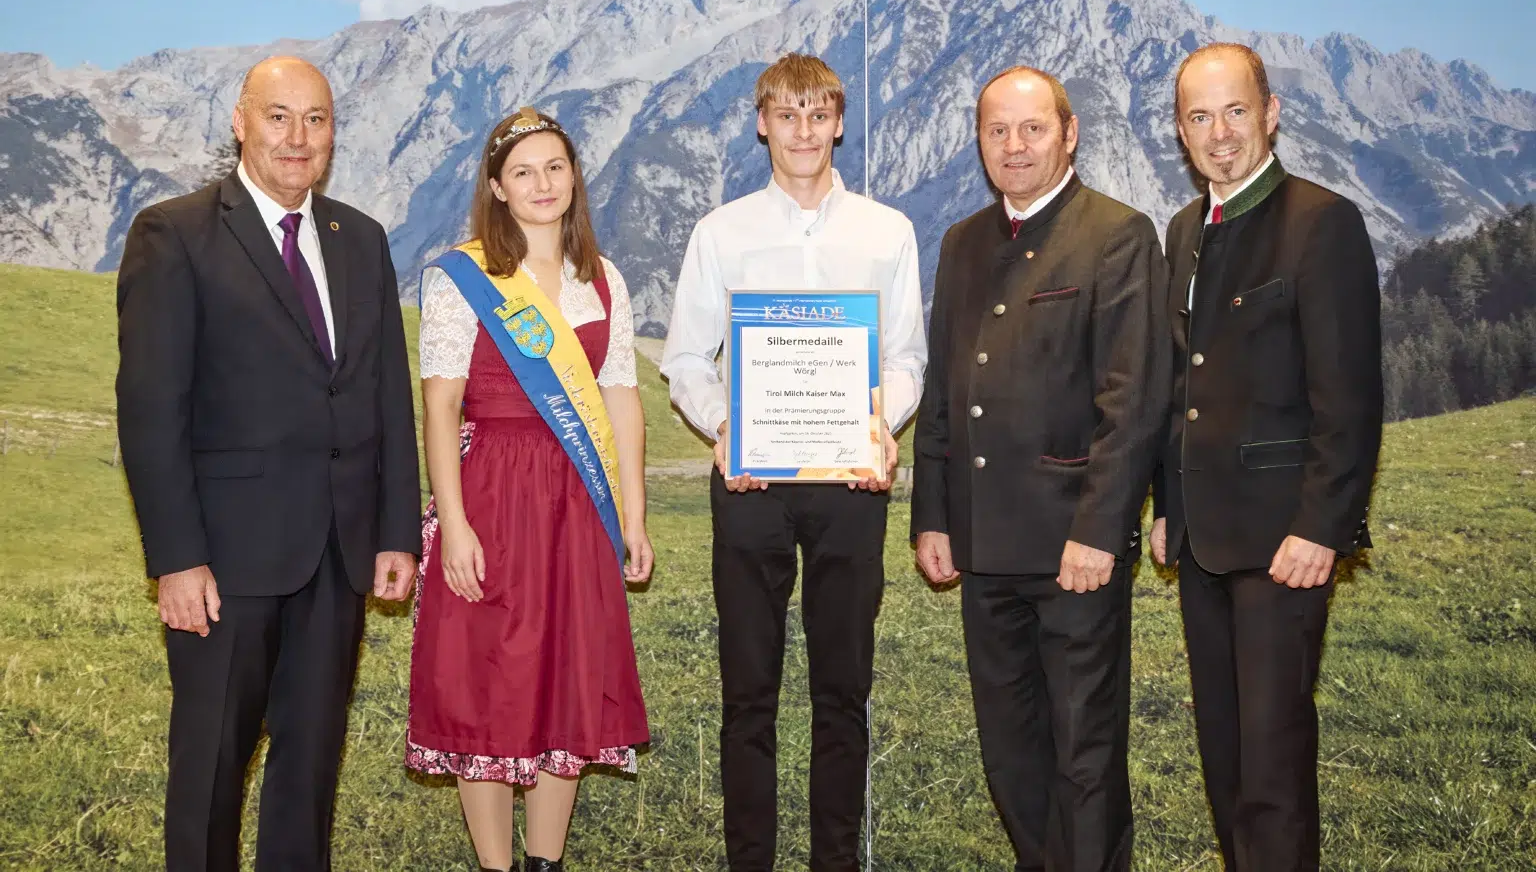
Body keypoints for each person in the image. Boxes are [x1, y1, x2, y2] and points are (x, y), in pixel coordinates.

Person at [115, 56, 421, 872]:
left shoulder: (360, 238)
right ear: (241, 123)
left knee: (310, 770)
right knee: (212, 769)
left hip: (339, 553)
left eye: (316, 119)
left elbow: (388, 395)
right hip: (226, 559)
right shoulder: (173, 233)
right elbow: (151, 413)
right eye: (279, 116)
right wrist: (176, 559)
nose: (298, 137)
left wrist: (397, 533)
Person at [660, 53, 926, 871]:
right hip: (749, 484)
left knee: (841, 694)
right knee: (749, 696)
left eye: (818, 115)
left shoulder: (889, 231)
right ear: (763, 124)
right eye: (787, 115)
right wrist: (722, 428)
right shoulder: (722, 231)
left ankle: (835, 863)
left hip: (850, 482)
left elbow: (906, 358)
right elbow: (685, 361)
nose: (803, 131)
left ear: (839, 123)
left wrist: (885, 432)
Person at [911, 66, 1170, 872]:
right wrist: (933, 513)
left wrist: (1101, 530)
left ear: (1070, 132)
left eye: (1031, 129)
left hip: (1073, 552)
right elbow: (945, 388)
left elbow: (1133, 399)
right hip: (983, 542)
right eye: (997, 131)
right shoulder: (961, 242)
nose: (1014, 146)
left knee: (1083, 753)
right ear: (980, 142)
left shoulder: (1119, 234)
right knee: (1010, 748)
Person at [1150, 43, 1382, 872]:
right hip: (1203, 539)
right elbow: (1181, 383)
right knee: (1226, 758)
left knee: (1274, 766)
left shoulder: (1323, 222)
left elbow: (1349, 400)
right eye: (1200, 117)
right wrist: (1166, 507)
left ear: (1271, 112)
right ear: (1181, 132)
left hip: (1286, 543)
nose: (1219, 135)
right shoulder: (1183, 232)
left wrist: (1322, 527)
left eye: (1235, 111)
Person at [405, 106, 653, 872]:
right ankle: (495, 866)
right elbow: (440, 404)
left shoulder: (603, 280)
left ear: (574, 177)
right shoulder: (464, 275)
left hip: (578, 500)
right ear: (496, 188)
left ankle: (546, 863)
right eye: (523, 172)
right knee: (490, 681)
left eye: (555, 167)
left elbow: (621, 400)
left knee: (566, 677)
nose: (542, 184)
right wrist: (454, 522)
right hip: (493, 495)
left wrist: (634, 520)